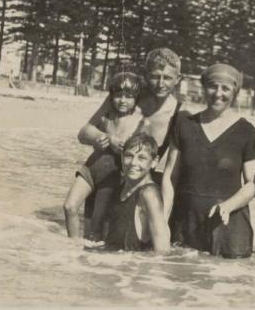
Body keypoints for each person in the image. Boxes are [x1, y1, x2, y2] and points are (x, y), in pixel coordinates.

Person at [162, 63, 255, 258]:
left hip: (228, 228)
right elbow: (170, 176)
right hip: (185, 224)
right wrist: (163, 217)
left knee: (223, 284)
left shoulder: (247, 132)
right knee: (175, 280)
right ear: (203, 88)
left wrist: (228, 206)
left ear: (235, 92)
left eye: (225, 88)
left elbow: (253, 184)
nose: (218, 93)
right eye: (212, 86)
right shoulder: (185, 126)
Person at [78, 48, 190, 218]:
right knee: (89, 238)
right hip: (105, 176)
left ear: (178, 79)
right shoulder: (127, 96)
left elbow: (171, 171)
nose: (160, 84)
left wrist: (163, 215)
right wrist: (107, 138)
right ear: (145, 75)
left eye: (167, 77)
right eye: (155, 76)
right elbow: (84, 132)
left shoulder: (179, 114)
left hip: (136, 187)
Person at [64, 72, 149, 241]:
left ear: (136, 98)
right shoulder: (106, 114)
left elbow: (142, 153)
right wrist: (101, 138)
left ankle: (88, 260)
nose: (123, 100)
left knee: (95, 228)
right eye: (118, 96)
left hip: (113, 176)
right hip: (91, 168)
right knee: (69, 207)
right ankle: (71, 247)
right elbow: (82, 134)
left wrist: (126, 148)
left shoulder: (141, 121)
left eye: (128, 97)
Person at [102, 133, 170, 253]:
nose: (133, 163)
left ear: (154, 162)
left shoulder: (149, 194)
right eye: (129, 156)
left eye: (142, 158)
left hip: (133, 268)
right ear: (122, 157)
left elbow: (163, 249)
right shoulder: (120, 190)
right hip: (114, 265)